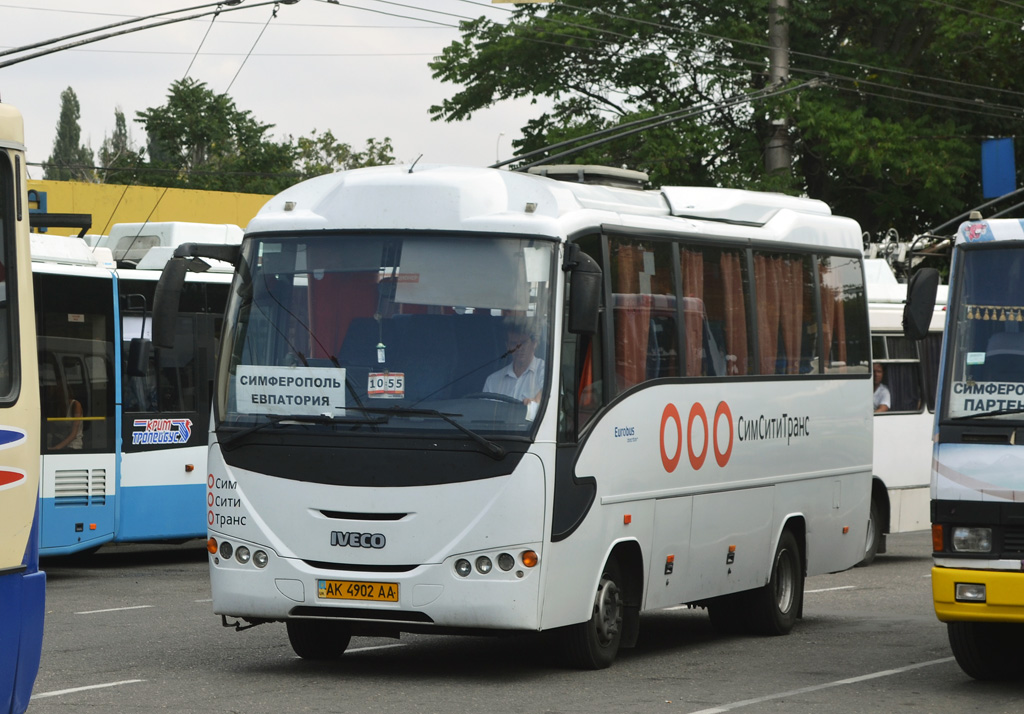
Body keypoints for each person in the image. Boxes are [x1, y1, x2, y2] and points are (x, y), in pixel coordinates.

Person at [483, 323, 545, 408]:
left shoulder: (547, 371)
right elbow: (485, 414)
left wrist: (535, 401)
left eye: (523, 343)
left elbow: (551, 394)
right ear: (507, 346)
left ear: (534, 343)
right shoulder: (492, 381)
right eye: (513, 343)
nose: (519, 348)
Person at [48, 386, 84, 450]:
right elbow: (52, 429)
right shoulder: (56, 407)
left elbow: (73, 434)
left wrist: (56, 448)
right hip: (58, 441)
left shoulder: (75, 405)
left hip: (73, 445)